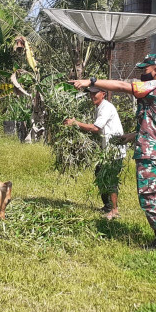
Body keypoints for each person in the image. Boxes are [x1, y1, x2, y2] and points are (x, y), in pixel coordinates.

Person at [69, 53, 156, 252]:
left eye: (145, 70)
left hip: (150, 154)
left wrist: (90, 81)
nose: (142, 74)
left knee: (150, 195)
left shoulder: (155, 86)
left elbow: (124, 87)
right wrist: (130, 136)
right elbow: (155, 124)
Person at [64, 85, 126, 219]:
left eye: (95, 93)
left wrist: (75, 123)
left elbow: (95, 128)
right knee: (99, 174)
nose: (92, 96)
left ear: (103, 93)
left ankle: (114, 210)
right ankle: (108, 206)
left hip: (114, 151)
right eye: (90, 94)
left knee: (110, 179)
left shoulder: (106, 108)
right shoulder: (99, 108)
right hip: (106, 150)